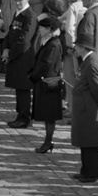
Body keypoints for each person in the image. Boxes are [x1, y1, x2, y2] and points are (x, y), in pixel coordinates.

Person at [70, 46, 98, 183]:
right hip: (85, 107)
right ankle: (86, 171)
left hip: (90, 108)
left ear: (83, 48)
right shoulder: (87, 60)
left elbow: (97, 87)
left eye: (77, 46)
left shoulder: (91, 63)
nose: (75, 49)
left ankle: (92, 173)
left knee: (90, 141)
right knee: (85, 140)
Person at [29, 15, 65, 154]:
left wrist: (34, 75)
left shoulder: (54, 44)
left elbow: (47, 64)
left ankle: (48, 141)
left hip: (49, 84)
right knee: (47, 116)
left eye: (42, 27)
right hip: (45, 82)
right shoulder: (49, 42)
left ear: (49, 29)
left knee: (49, 116)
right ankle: (47, 141)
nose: (39, 30)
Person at [3, 0, 38, 129]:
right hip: (15, 55)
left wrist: (10, 54)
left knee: (23, 88)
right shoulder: (18, 14)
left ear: (27, 0)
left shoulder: (30, 16)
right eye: (16, 0)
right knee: (18, 87)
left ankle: (25, 117)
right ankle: (20, 114)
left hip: (23, 57)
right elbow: (10, 32)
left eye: (20, 0)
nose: (17, 2)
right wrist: (5, 47)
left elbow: (24, 40)